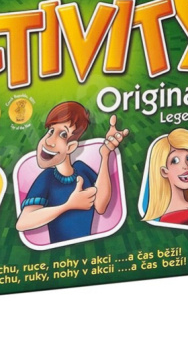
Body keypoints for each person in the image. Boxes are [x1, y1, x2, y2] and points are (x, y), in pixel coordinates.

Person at [16, 101, 128, 243]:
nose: (49, 141)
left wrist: (105, 154)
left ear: (71, 147)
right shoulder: (47, 178)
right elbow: (23, 222)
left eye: (63, 134)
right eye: (51, 131)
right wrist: (68, 205)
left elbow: (101, 206)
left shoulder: (81, 169)